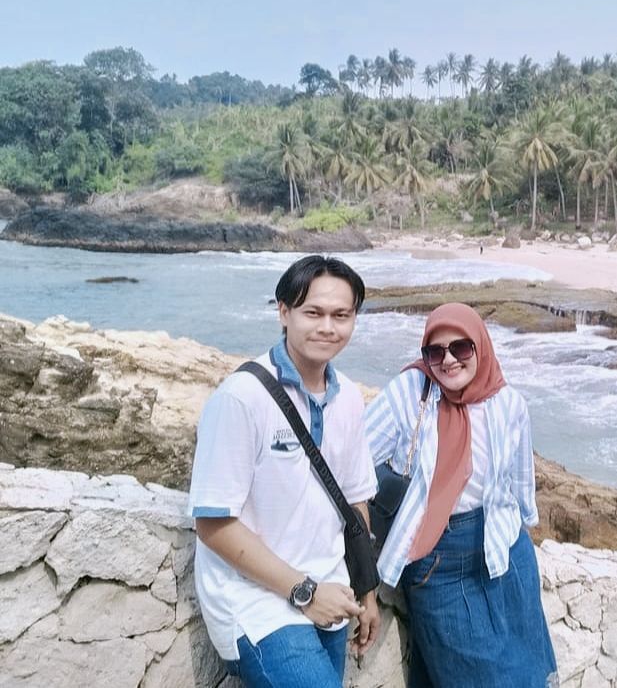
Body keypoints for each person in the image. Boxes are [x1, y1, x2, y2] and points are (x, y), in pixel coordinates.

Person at [188, 255, 380, 687]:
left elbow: (355, 502)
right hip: (257, 604)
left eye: (341, 315)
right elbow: (213, 523)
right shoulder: (241, 398)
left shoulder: (349, 398)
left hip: (331, 594)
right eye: (313, 313)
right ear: (284, 312)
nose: (327, 327)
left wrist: (367, 591)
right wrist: (304, 592)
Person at [365, 303, 557, 687]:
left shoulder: (507, 403)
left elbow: (521, 479)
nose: (448, 360)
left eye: (461, 348)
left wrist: (526, 525)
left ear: (480, 346)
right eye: (435, 352)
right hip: (439, 560)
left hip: (506, 551)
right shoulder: (411, 392)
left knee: (528, 672)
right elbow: (352, 460)